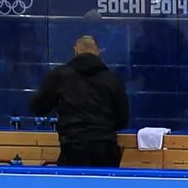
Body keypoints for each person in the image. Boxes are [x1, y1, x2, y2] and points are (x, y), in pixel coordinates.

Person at [32, 33, 128, 165]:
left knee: (70, 185)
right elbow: (123, 119)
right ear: (98, 52)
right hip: (105, 148)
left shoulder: (60, 75)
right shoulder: (111, 79)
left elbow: (38, 108)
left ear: (75, 50)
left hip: (72, 147)